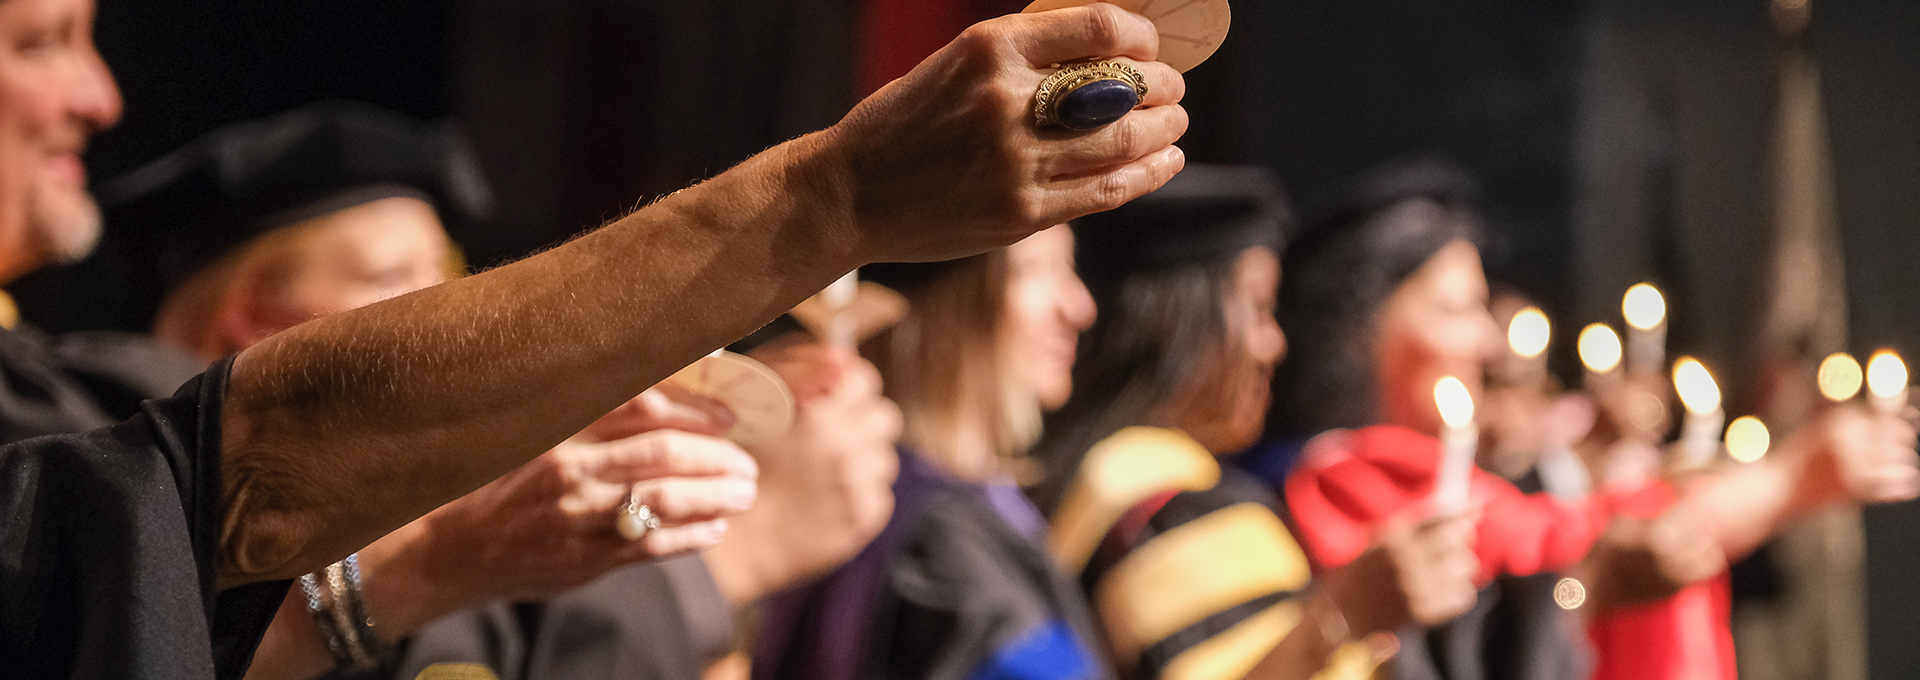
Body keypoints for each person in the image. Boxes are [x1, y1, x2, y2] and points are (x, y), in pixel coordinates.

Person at [0, 0, 1192, 676]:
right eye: (38, 38)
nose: (101, 95)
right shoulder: (78, 402)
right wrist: (833, 201)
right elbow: (191, 493)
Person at [96, 101, 903, 680]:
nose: (444, 304)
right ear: (254, 323)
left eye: (443, 274)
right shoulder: (116, 470)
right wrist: (731, 555)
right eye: (392, 278)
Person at [1247, 159, 1920, 680]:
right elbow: (1558, 554)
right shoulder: (1346, 475)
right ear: (1358, 335)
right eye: (1457, 310)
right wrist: (1789, 477)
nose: (1488, 340)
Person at [1031, 164, 1478, 680]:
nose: (1274, 344)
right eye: (1259, 308)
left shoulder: (1086, 479)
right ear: (1183, 320)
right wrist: (1347, 611)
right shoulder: (1169, 499)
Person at [754, 225, 1107, 680]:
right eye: (1036, 270)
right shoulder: (941, 547)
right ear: (944, 305)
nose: (1080, 307)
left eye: (1069, 268)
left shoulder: (895, 507)